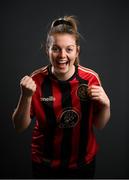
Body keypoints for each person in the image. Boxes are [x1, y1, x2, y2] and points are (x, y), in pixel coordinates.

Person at [12, 15, 110, 179]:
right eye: (56, 48)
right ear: (47, 50)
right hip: (45, 163)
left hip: (82, 163)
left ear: (77, 50)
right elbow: (19, 127)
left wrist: (106, 105)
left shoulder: (90, 79)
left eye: (69, 49)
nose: (62, 55)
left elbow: (99, 124)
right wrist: (26, 96)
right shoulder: (36, 80)